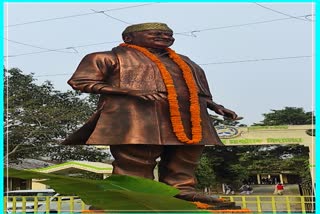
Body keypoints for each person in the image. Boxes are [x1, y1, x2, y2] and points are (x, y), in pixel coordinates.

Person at [62, 22, 239, 207]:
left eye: (168, 35)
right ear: (128, 38)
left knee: (185, 158)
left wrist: (216, 106)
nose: (165, 37)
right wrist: (129, 91)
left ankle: (182, 191)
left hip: (189, 117)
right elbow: (81, 82)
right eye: (156, 34)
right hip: (136, 117)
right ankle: (130, 194)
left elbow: (196, 92)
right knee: (136, 159)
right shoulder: (107, 57)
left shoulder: (185, 62)